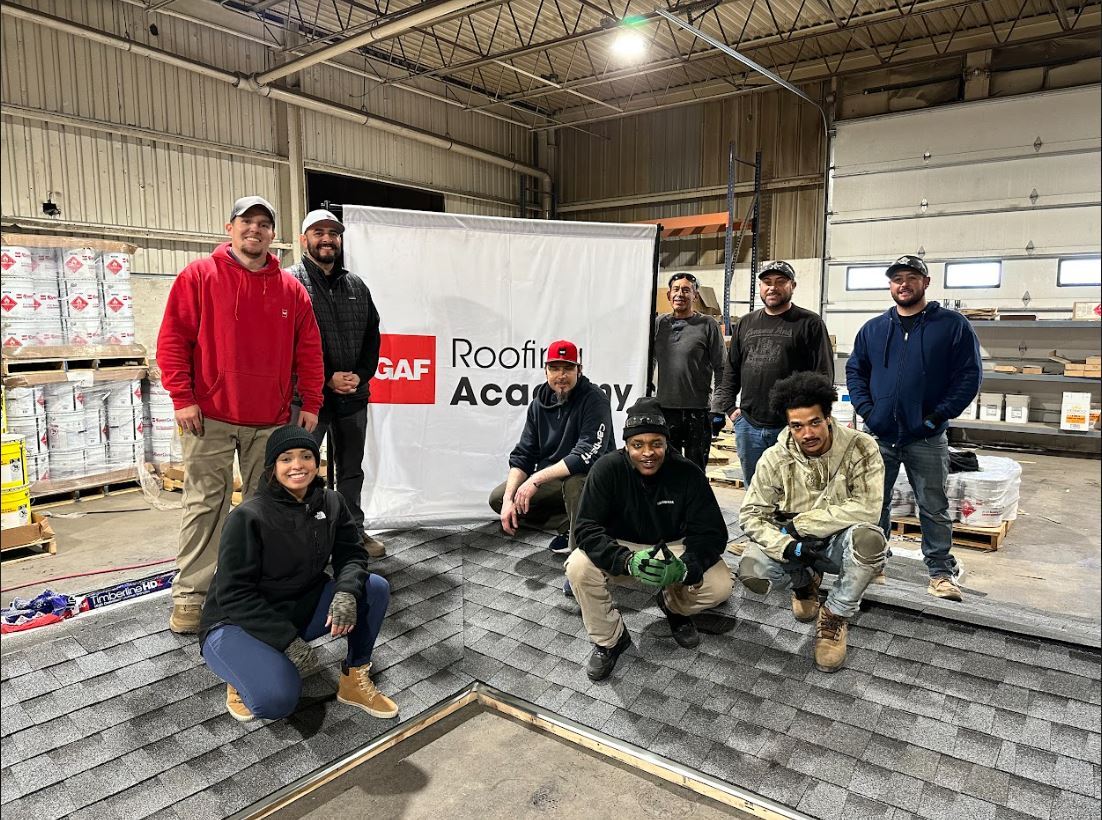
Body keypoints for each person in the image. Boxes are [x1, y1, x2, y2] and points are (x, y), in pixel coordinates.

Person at [158, 196, 324, 634]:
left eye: (264, 224)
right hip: (207, 415)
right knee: (204, 505)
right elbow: (173, 339)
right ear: (229, 228)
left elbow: (309, 351)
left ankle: (250, 592)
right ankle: (191, 598)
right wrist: (182, 396)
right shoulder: (199, 276)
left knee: (263, 510)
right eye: (246, 222)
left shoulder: (291, 290)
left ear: (273, 234)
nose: (255, 230)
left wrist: (310, 402)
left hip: (268, 419)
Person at [198, 425, 397, 723]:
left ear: (316, 462)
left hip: (298, 604)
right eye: (286, 458)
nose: (297, 465)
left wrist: (345, 592)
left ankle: (353, 679)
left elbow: (351, 554)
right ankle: (239, 674)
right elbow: (233, 595)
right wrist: (287, 641)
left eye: (306, 456)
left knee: (373, 588)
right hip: (235, 621)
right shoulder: (247, 516)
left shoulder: (331, 502)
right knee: (276, 701)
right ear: (272, 467)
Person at [566, 398, 733, 681]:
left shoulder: (688, 473)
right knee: (577, 568)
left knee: (720, 586)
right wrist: (626, 561)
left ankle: (673, 604)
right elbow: (586, 528)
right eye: (638, 444)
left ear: (667, 443)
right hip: (622, 548)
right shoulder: (606, 469)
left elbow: (712, 533)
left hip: (673, 549)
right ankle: (611, 640)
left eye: (656, 443)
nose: (648, 453)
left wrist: (685, 567)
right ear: (626, 445)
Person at [846, 255, 981, 602]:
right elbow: (855, 372)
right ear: (890, 285)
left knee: (933, 506)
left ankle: (940, 573)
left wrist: (937, 417)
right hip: (881, 436)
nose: (903, 284)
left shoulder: (952, 325)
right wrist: (868, 412)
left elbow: (968, 378)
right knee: (874, 504)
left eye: (910, 277)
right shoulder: (874, 329)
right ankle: (874, 563)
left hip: (928, 437)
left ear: (926, 282)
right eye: (896, 279)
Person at [738, 373, 886, 673]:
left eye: (814, 422)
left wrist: (801, 525)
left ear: (828, 418)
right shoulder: (773, 458)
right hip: (795, 545)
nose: (807, 433)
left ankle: (835, 614)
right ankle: (804, 583)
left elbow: (868, 509)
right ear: (788, 426)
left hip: (838, 543)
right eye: (797, 426)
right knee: (752, 570)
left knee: (870, 540)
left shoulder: (862, 448)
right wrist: (788, 545)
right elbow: (750, 515)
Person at [290, 209, 386, 559]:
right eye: (318, 232)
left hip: (352, 397)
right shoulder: (291, 283)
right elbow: (286, 344)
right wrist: (326, 377)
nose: (327, 238)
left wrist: (360, 375)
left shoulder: (357, 286)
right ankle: (304, 540)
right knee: (300, 470)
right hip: (307, 399)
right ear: (304, 239)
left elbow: (371, 338)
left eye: (333, 232)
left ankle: (351, 533)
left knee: (350, 471)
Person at [712, 260, 834, 487]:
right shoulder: (746, 323)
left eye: (780, 282)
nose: (772, 287)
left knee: (795, 492)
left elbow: (823, 376)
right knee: (755, 491)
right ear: (760, 287)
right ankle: (755, 524)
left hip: (790, 427)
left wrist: (811, 422)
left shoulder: (809, 323)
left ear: (793, 286)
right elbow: (731, 370)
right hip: (748, 425)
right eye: (767, 282)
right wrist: (729, 410)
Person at [489, 340, 614, 555]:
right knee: (499, 498)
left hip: (593, 477)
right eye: (555, 368)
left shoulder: (595, 399)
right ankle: (572, 524)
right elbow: (524, 454)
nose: (561, 375)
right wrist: (510, 499)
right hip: (557, 478)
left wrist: (535, 480)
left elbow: (586, 454)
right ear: (545, 371)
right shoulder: (538, 404)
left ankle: (583, 552)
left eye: (568, 368)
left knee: (575, 484)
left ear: (579, 370)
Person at [651, 272, 727, 471]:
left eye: (686, 290)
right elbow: (648, 361)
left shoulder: (708, 325)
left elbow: (722, 368)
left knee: (695, 471)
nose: (680, 294)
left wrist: (718, 408)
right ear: (669, 295)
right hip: (666, 410)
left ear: (695, 296)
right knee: (667, 469)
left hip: (698, 411)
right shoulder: (659, 324)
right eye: (676, 290)